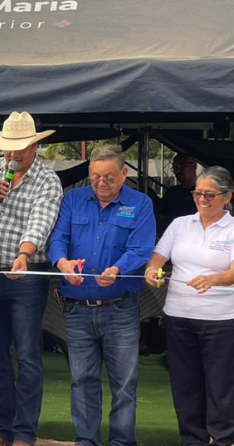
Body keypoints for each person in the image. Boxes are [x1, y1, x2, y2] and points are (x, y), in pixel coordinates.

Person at [47, 144, 156, 446]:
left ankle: (121, 442)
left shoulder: (140, 203)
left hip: (120, 306)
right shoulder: (73, 199)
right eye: (95, 177)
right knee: (82, 380)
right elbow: (58, 239)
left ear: (124, 173)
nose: (101, 184)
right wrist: (61, 262)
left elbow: (141, 248)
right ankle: (86, 441)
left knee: (124, 383)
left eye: (108, 177)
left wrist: (118, 270)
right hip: (77, 307)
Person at [0, 112, 63, 446]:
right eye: (8, 149)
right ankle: (1, 428)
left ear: (35, 145)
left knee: (27, 355)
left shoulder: (47, 180)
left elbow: (41, 221)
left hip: (26, 275)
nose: (13, 155)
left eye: (20, 149)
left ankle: (25, 432)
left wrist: (23, 255)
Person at [145, 166, 234, 446]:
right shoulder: (181, 224)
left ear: (227, 197)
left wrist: (215, 280)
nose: (202, 199)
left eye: (209, 195)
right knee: (185, 384)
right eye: (198, 193)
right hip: (178, 317)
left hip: (221, 320)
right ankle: (192, 440)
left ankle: (223, 440)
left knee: (221, 387)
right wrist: (152, 271)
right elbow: (158, 255)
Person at [158, 154, 199, 232]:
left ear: (194, 165)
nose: (178, 170)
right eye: (175, 168)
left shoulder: (203, 193)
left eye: (182, 166)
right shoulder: (171, 193)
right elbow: (161, 218)